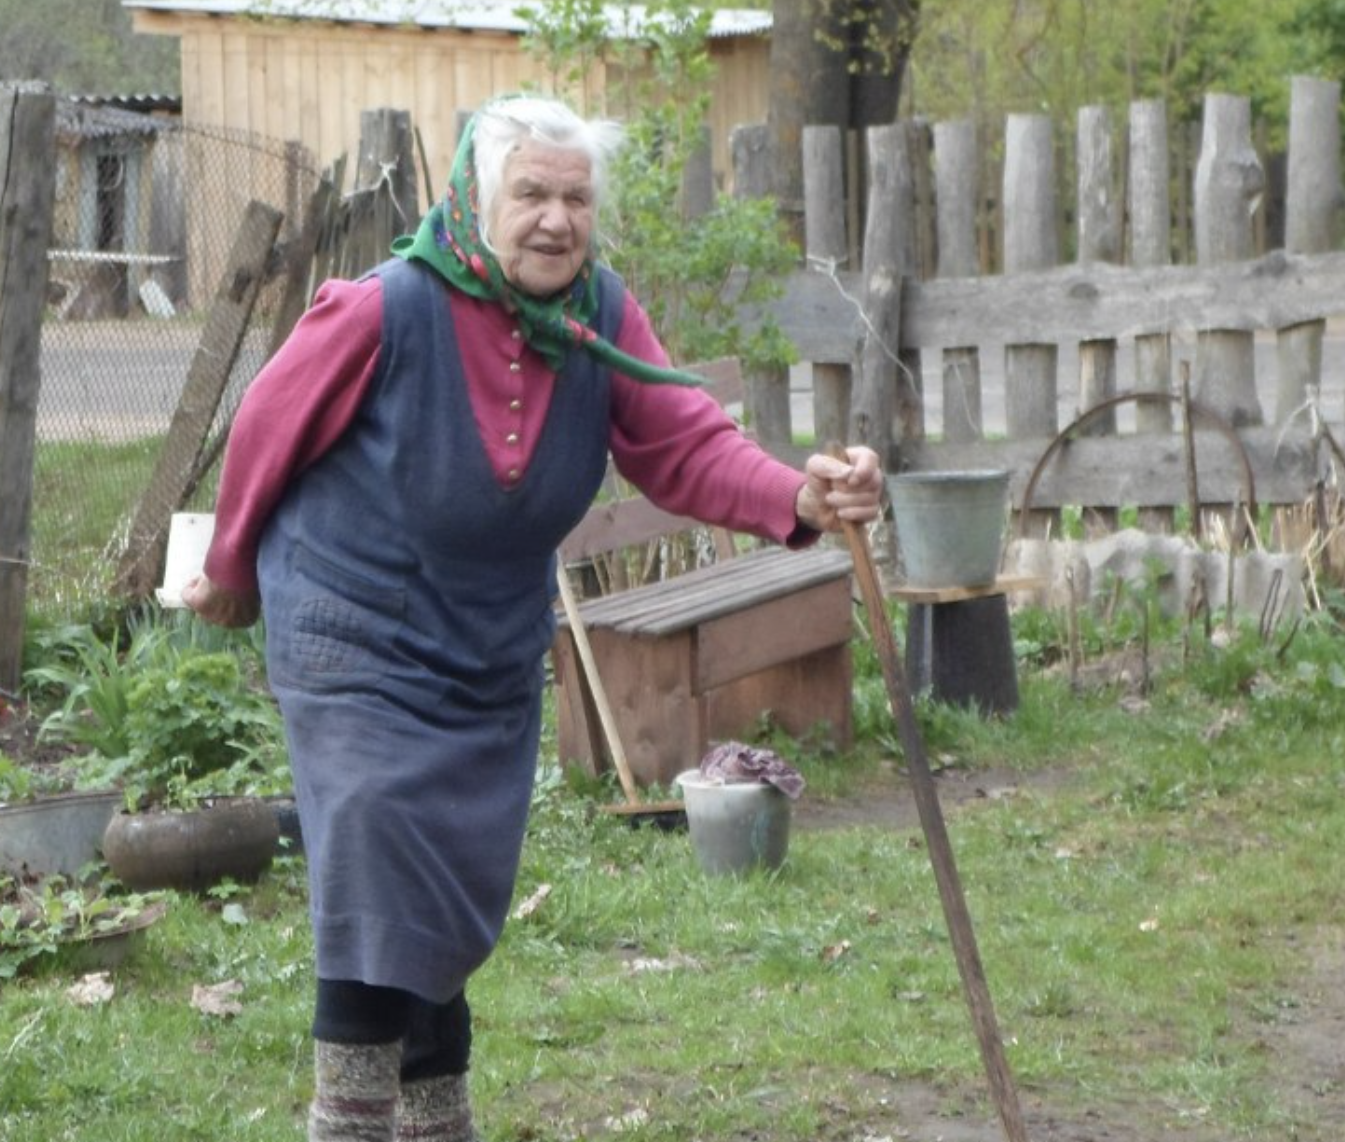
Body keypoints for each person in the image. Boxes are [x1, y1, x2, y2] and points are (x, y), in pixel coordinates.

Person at [181, 94, 884, 1141]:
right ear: (476, 195)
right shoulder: (385, 306)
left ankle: (434, 1117)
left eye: (575, 198)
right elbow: (266, 427)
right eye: (531, 194)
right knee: (378, 855)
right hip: (353, 627)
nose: (556, 219)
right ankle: (350, 1121)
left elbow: (684, 442)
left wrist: (800, 495)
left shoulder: (598, 314)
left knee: (447, 886)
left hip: (484, 644)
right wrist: (230, 568)